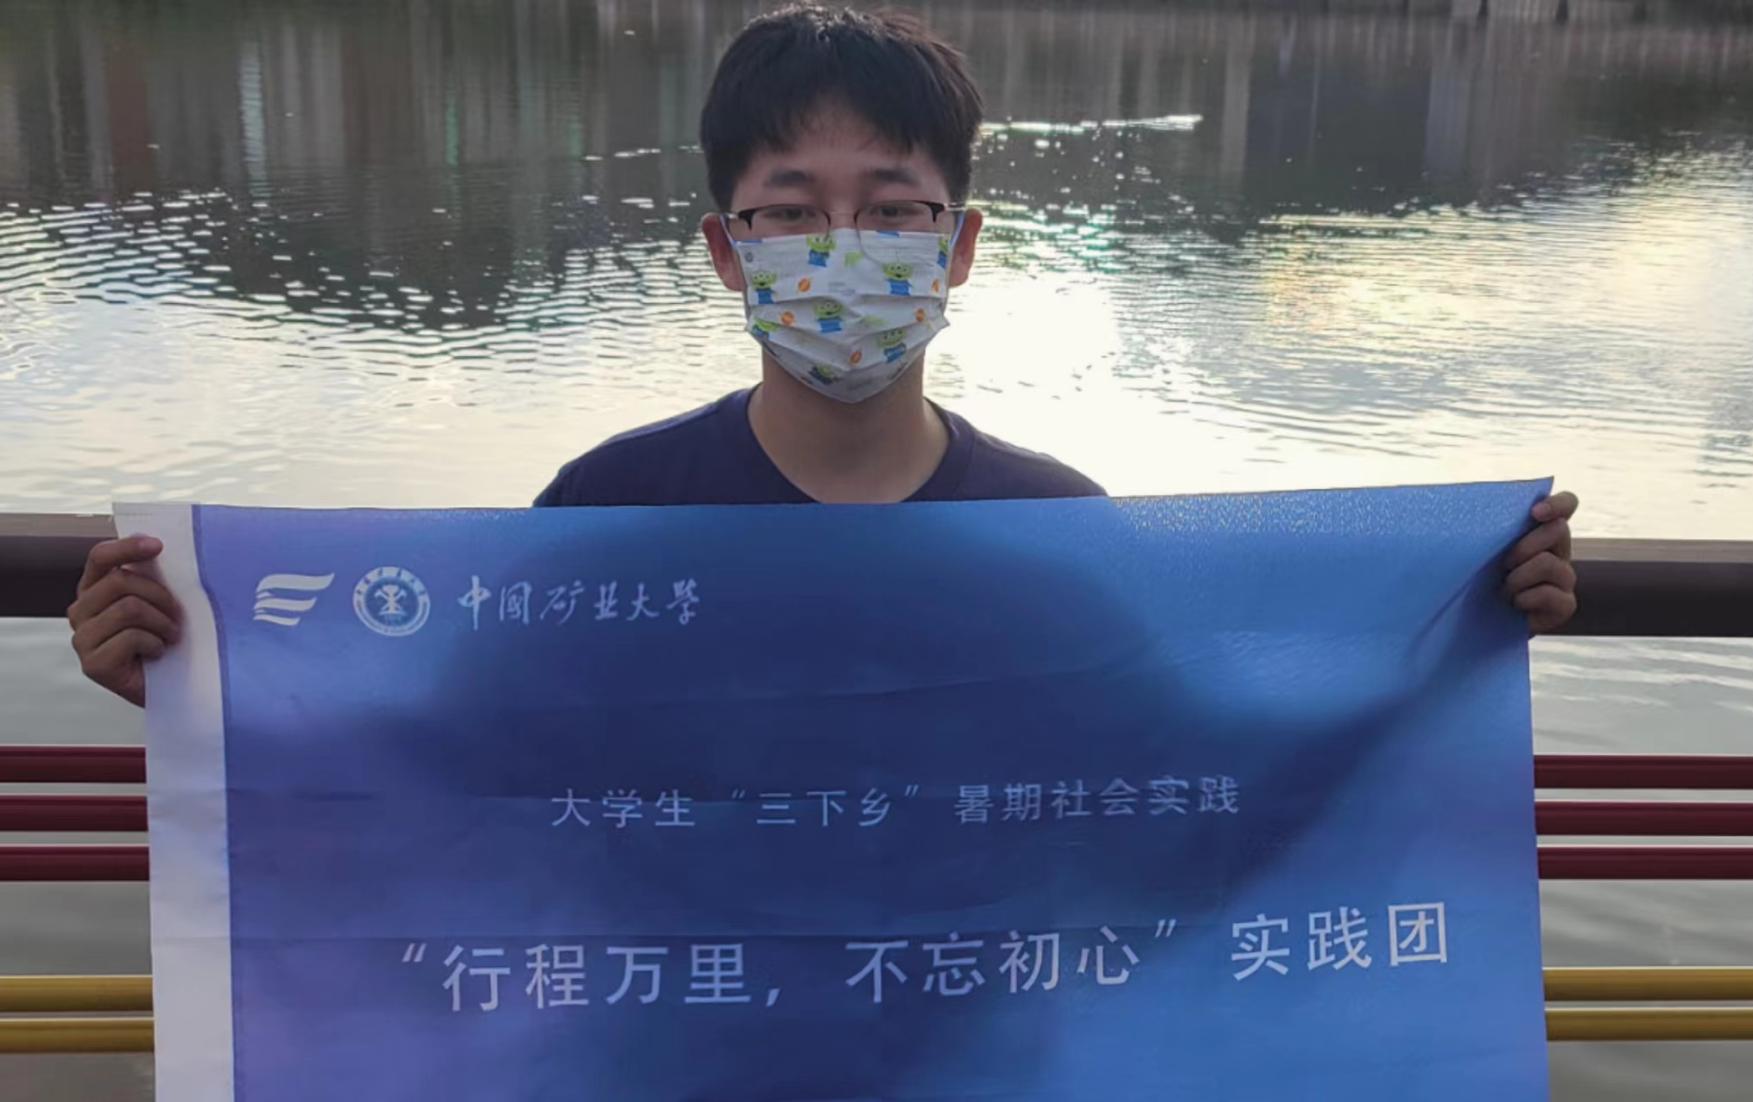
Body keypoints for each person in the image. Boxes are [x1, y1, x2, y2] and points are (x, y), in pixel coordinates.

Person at [65, 4, 1580, 708]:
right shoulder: (609, 511)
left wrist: (1457, 617)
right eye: (791, 212)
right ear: (727, 250)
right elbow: (446, 751)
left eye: (894, 208)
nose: (843, 246)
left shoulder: (1058, 525)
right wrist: (186, 691)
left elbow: (1201, 773)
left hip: (967, 1042)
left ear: (960, 247)